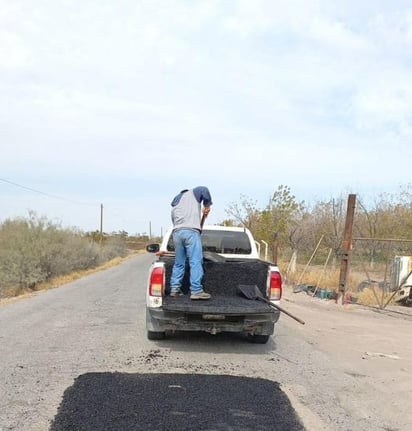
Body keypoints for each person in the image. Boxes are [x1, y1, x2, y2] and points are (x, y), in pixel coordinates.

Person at [169, 186, 212, 300]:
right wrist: (207, 205)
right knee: (195, 261)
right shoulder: (193, 193)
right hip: (191, 232)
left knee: (179, 262)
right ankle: (196, 291)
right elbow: (204, 189)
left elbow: (174, 221)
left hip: (177, 233)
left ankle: (175, 289)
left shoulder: (175, 204)